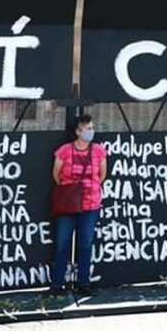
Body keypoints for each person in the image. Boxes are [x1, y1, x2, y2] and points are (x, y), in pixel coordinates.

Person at [50, 114, 107, 295]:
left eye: (92, 128)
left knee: (85, 244)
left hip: (91, 204)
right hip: (67, 205)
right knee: (62, 244)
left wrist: (90, 188)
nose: (91, 131)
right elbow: (56, 174)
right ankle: (57, 284)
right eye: (88, 128)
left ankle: (83, 283)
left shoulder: (99, 151)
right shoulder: (64, 151)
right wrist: (70, 191)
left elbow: (102, 175)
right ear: (77, 131)